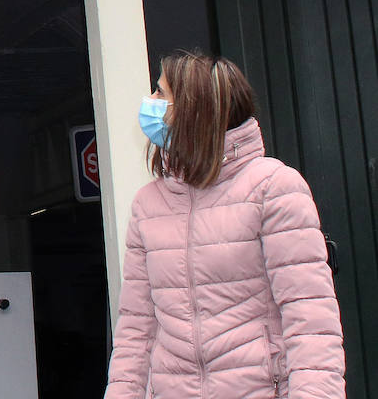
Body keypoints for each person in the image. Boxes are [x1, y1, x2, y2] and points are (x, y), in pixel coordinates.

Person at [104, 52, 346, 399]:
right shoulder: (148, 204)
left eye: (160, 93)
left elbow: (310, 321)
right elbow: (136, 330)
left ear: (194, 109)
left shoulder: (273, 187)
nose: (150, 103)